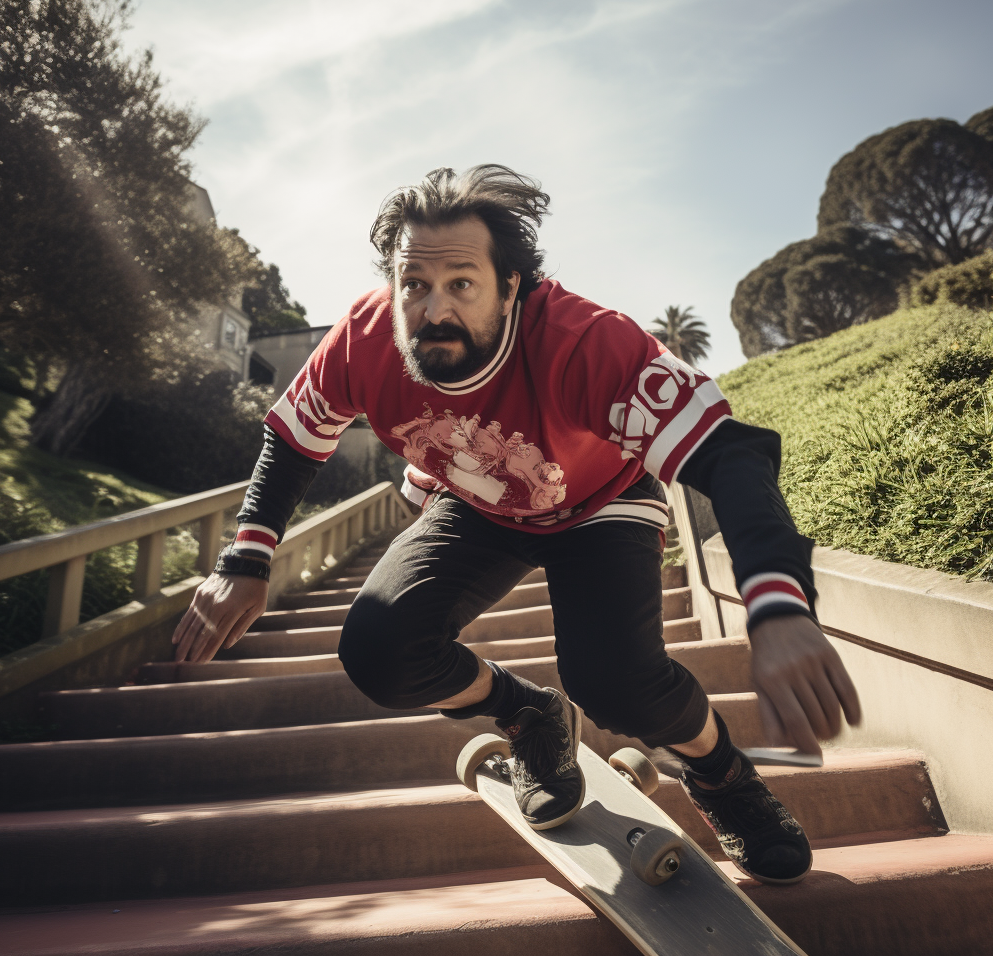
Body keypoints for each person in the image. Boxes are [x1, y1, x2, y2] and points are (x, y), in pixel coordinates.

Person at [172, 164, 861, 885]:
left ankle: (723, 776)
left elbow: (731, 456)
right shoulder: (364, 338)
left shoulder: (586, 343)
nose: (433, 309)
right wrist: (245, 562)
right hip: (475, 506)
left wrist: (778, 607)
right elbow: (293, 438)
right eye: (414, 284)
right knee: (379, 650)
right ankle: (530, 716)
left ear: (512, 288)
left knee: (614, 680)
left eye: (462, 284)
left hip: (603, 501)